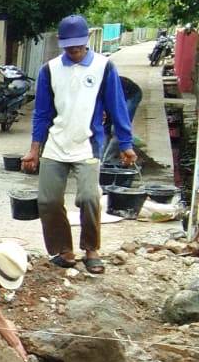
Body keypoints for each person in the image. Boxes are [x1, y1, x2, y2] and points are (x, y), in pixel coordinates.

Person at [21, 15, 135, 275]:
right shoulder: (49, 70)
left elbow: (117, 107)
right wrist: (34, 149)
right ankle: (64, 250)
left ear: (86, 41)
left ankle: (91, 249)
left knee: (89, 197)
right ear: (62, 43)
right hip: (56, 144)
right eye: (69, 46)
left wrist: (126, 143)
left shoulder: (104, 67)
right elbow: (41, 113)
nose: (74, 50)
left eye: (78, 46)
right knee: (48, 200)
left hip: (88, 144)